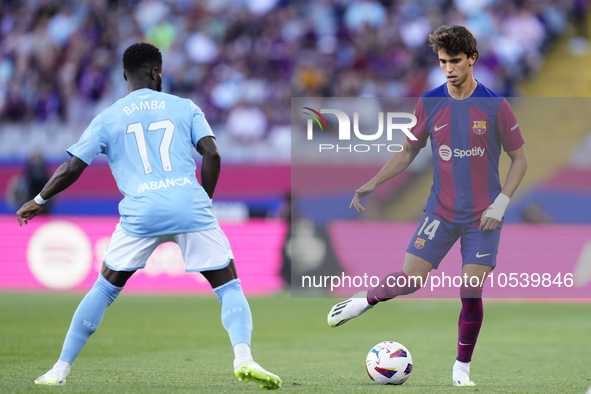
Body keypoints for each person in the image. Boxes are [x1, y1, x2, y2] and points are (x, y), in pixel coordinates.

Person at [16, 43, 282, 390]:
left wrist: (38, 199)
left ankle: (59, 369)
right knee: (228, 285)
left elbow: (72, 167)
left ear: (125, 75)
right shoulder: (185, 107)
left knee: (105, 288)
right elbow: (212, 154)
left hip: (141, 212)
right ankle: (244, 358)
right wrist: (204, 199)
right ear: (157, 72)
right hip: (189, 205)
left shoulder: (108, 116)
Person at [327, 25, 527, 387]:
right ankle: (365, 300)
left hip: (483, 217)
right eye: (442, 62)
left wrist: (500, 203)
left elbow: (520, 161)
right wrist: (374, 182)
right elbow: (407, 151)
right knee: (410, 281)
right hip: (441, 212)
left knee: (470, 289)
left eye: (455, 61)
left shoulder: (496, 105)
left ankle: (461, 367)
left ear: (472, 60)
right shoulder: (430, 102)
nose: (448, 68)